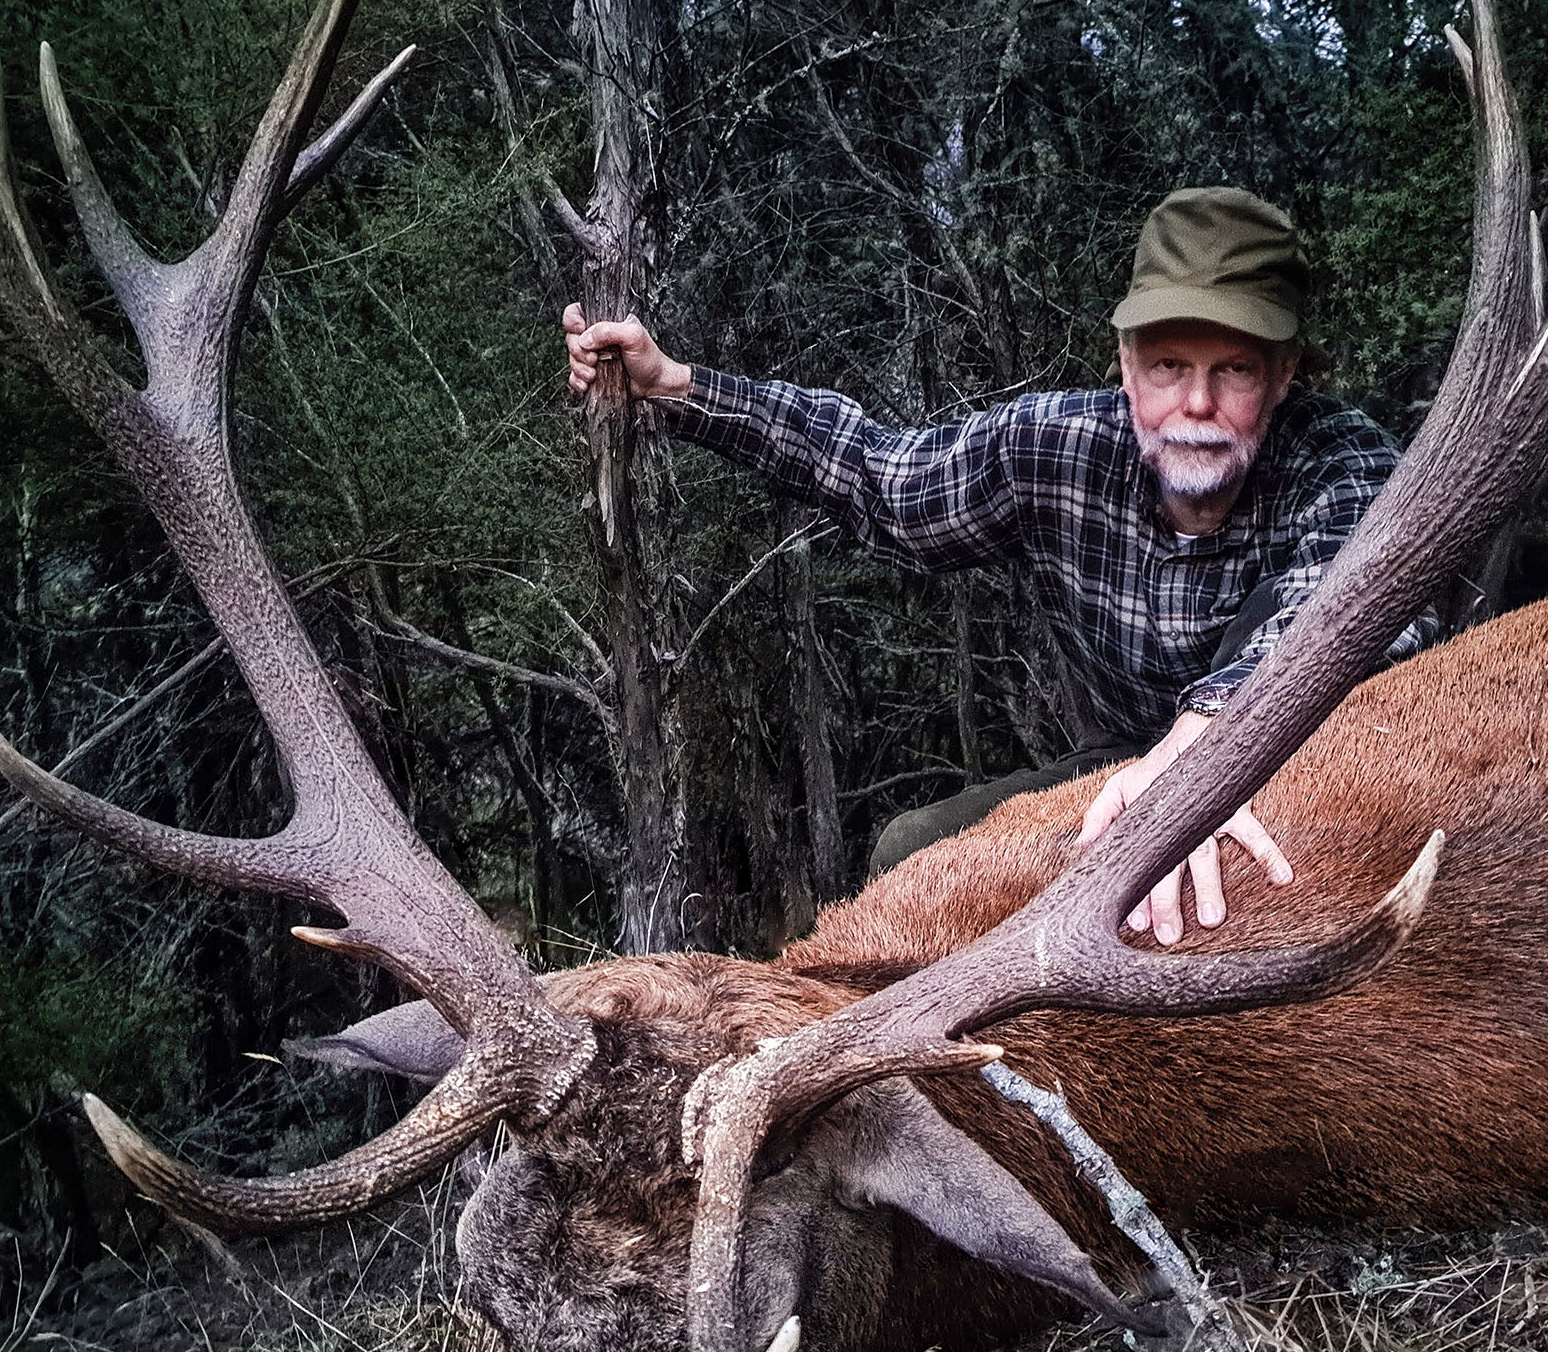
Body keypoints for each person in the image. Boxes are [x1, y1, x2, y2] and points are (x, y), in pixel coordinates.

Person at [563, 187, 1439, 945]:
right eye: (1170, 364)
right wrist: (676, 387)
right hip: (1129, 763)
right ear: (1127, 367)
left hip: (1326, 754)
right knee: (915, 852)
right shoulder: (1056, 447)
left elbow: (1351, 607)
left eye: (1234, 369)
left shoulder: (1346, 463)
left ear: (1283, 377)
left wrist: (1207, 750)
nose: (1197, 404)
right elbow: (881, 477)